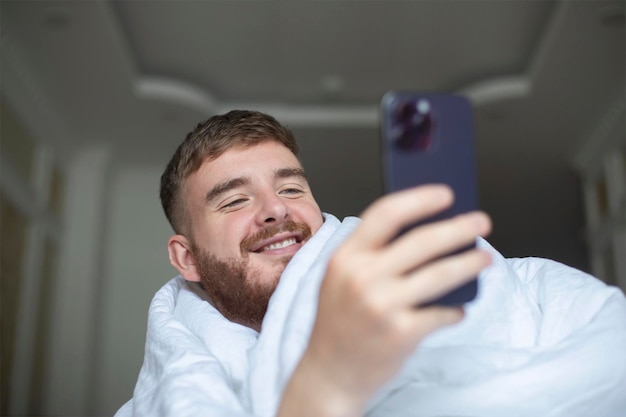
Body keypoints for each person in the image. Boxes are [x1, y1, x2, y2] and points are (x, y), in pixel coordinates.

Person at [116, 110, 626, 417]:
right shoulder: (158, 402)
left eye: (291, 187)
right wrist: (327, 385)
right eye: (234, 201)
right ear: (187, 258)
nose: (276, 209)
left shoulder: (523, 283)